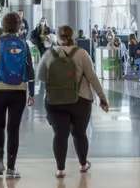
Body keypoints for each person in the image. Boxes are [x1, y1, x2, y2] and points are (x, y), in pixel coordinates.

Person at [36, 25, 109, 178]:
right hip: (80, 100)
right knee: (79, 133)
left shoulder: (49, 54)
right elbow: (92, 77)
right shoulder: (82, 54)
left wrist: (57, 83)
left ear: (58, 37)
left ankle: (60, 170)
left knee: (60, 134)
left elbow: (41, 76)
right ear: (73, 36)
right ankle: (83, 164)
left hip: (55, 101)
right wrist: (102, 97)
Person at [0, 12, 34, 178]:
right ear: (18, 26)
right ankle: (11, 167)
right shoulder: (23, 43)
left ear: (3, 25)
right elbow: (30, 70)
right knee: (13, 128)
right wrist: (31, 91)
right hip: (19, 91)